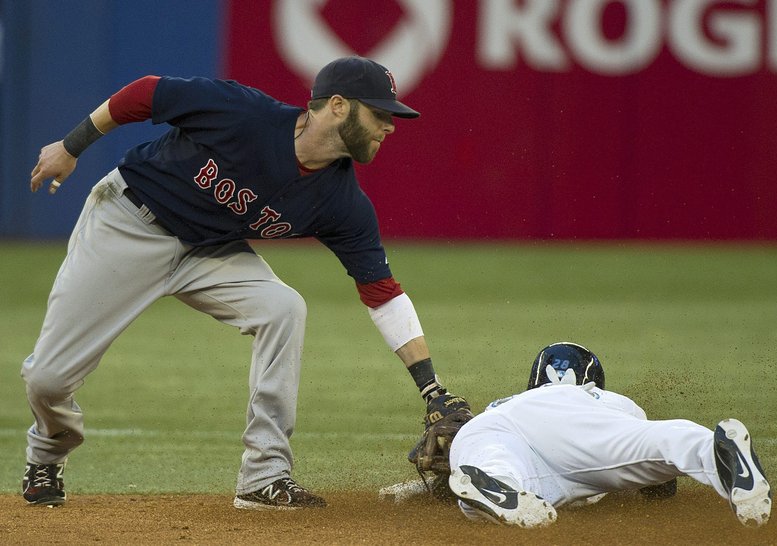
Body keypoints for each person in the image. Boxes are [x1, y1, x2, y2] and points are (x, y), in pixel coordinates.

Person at [23, 56, 470, 509]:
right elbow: (146, 92)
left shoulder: (343, 203)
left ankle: (265, 475)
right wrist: (71, 146)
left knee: (284, 308)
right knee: (48, 380)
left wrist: (431, 388)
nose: (390, 126)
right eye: (380, 113)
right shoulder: (244, 113)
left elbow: (382, 294)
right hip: (130, 222)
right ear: (338, 105)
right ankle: (47, 451)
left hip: (209, 251)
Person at [445, 342, 772, 528]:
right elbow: (659, 489)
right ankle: (712, 449)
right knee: (665, 441)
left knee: (492, 474)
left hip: (488, 429)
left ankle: (494, 480)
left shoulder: (504, 404)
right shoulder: (602, 400)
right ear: (592, 379)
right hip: (579, 429)